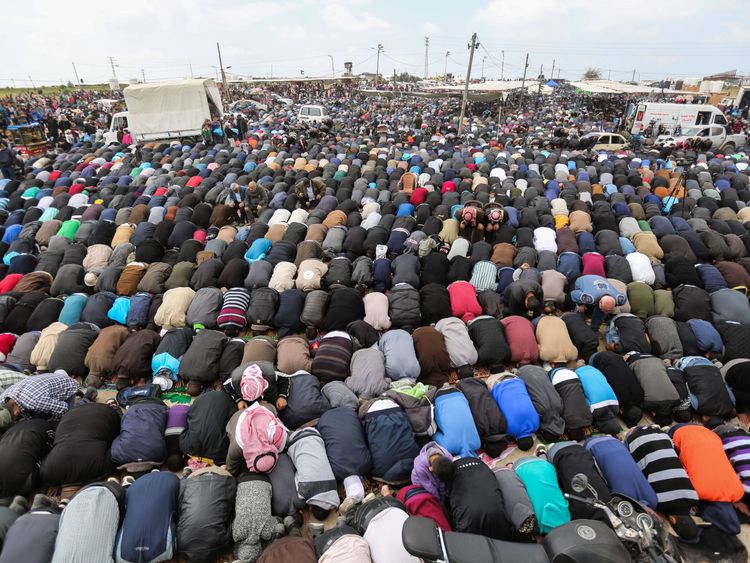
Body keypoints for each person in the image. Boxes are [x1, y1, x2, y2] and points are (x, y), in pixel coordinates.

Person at [0, 370, 80, 427]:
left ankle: (87, 398)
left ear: (16, 413)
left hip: (68, 385)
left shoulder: (34, 402)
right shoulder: (3, 398)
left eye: (14, 420)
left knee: (69, 420)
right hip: (45, 379)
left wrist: (51, 424)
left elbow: (63, 408)